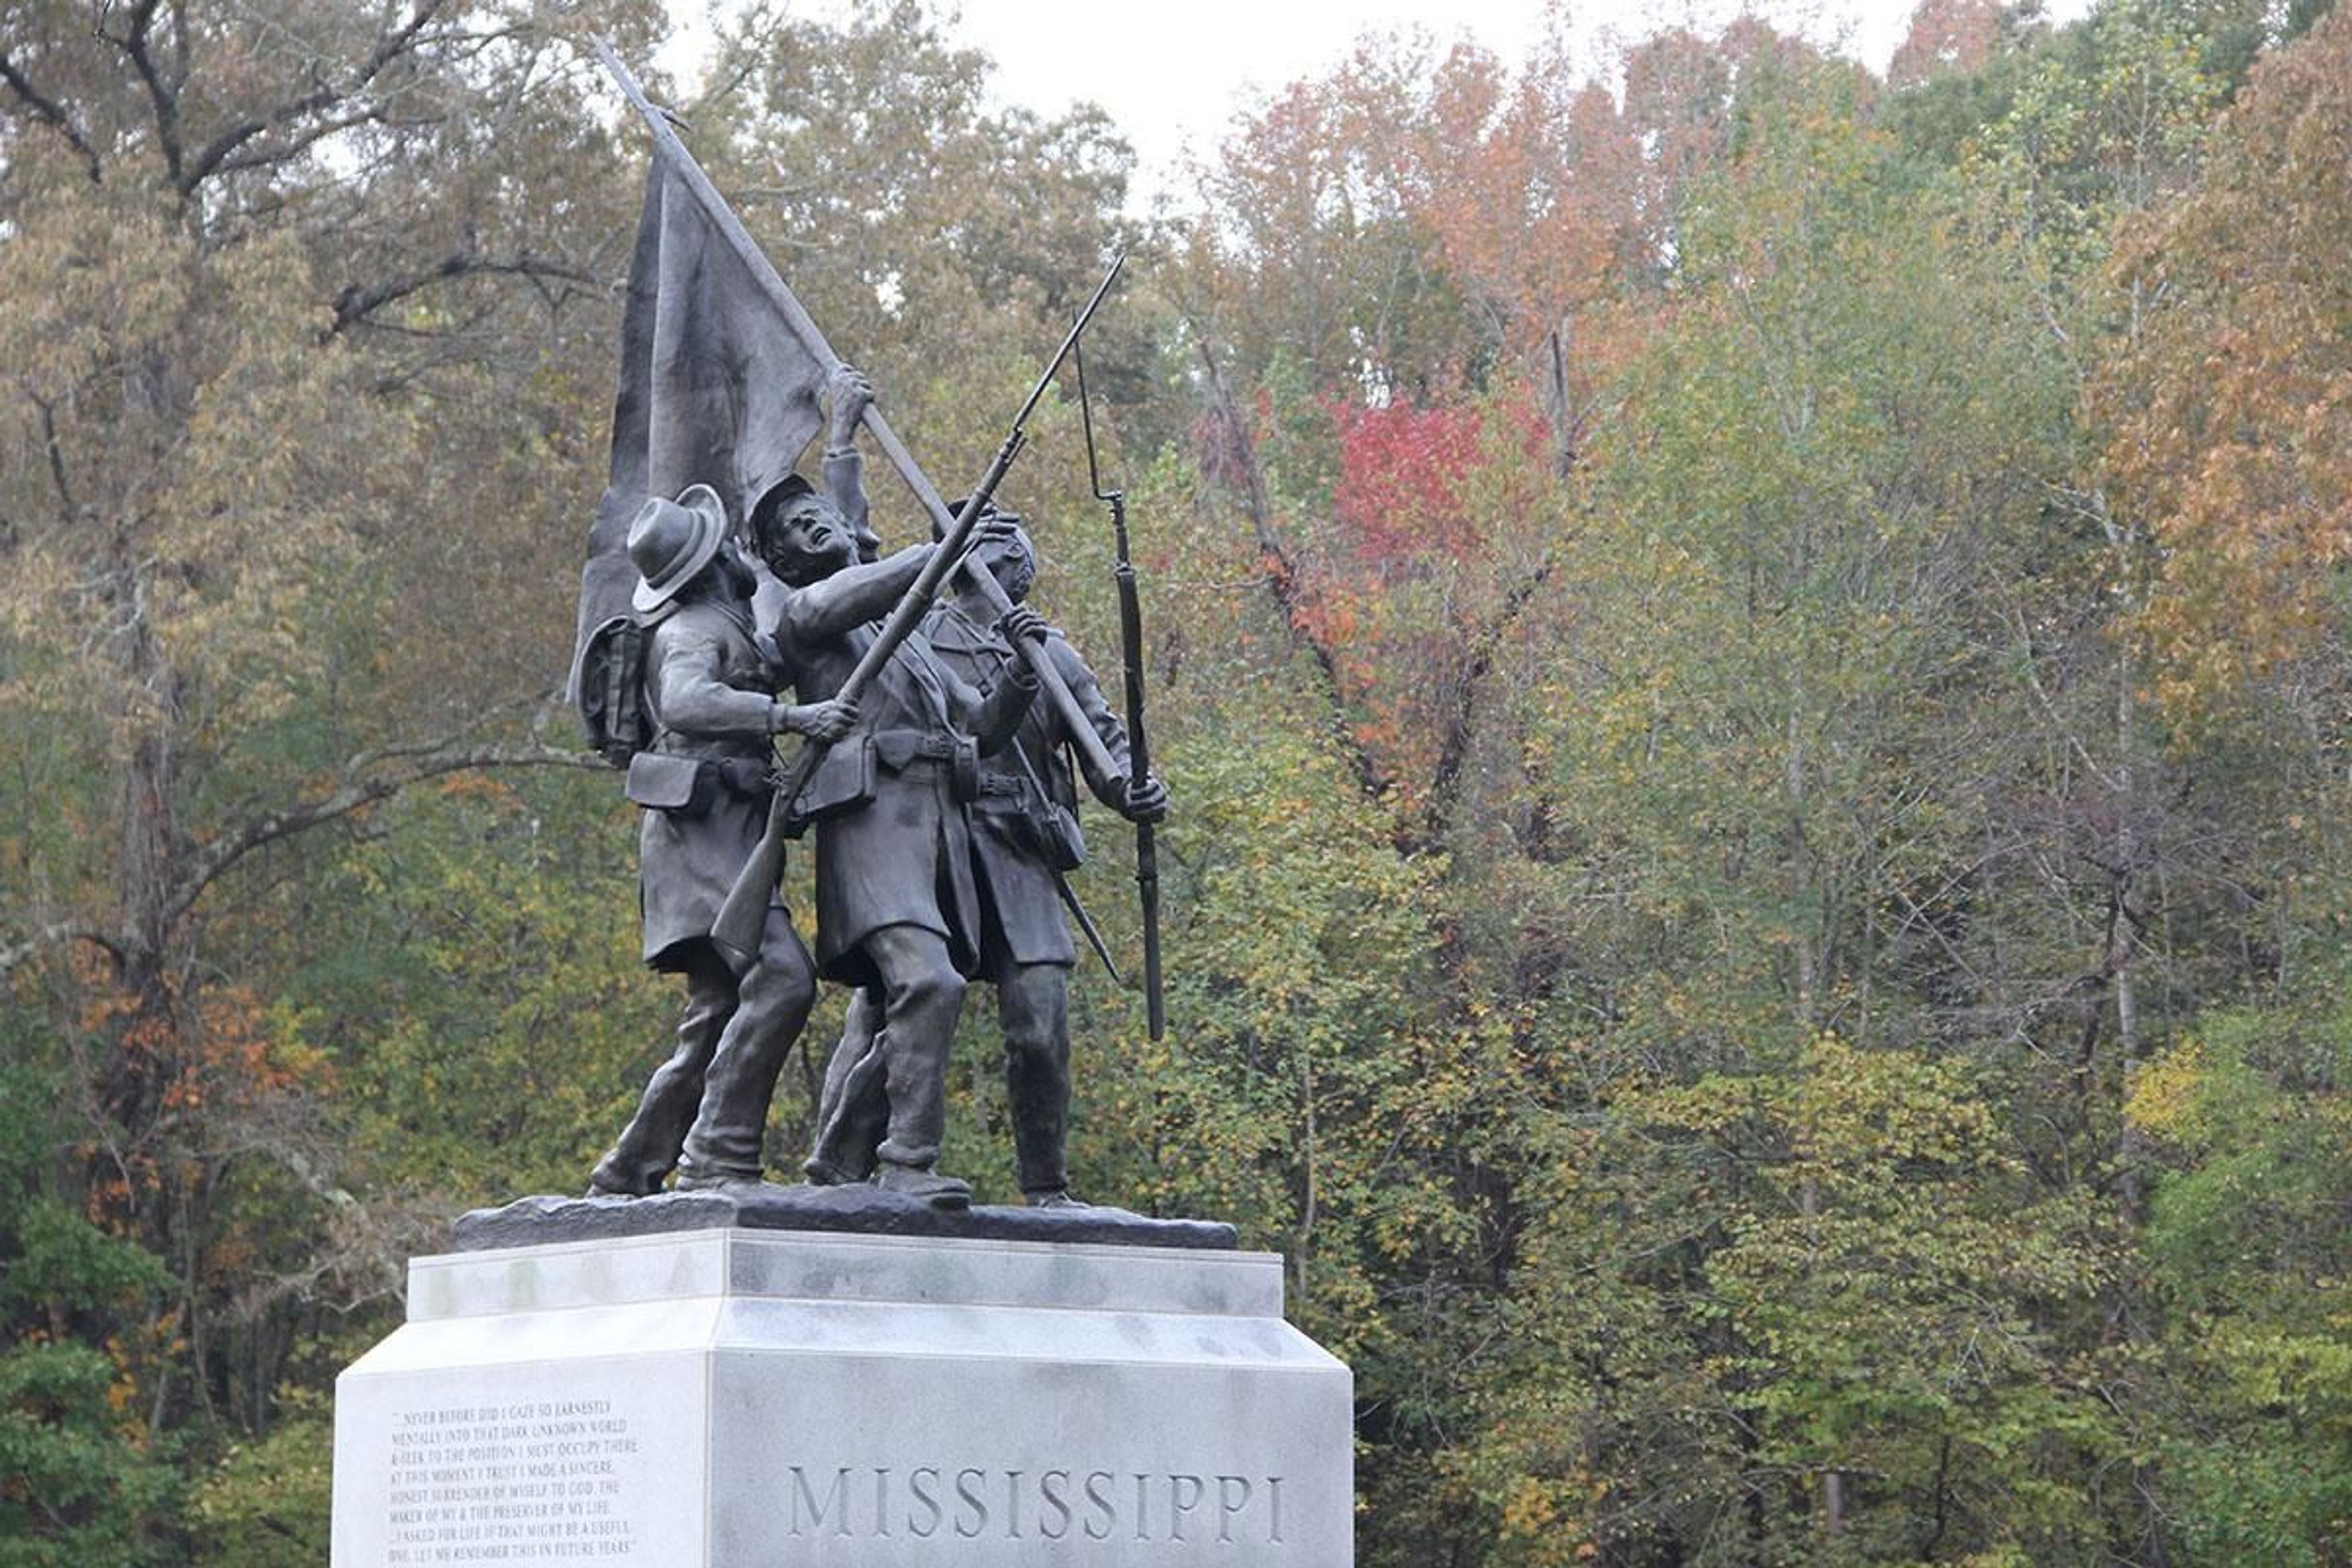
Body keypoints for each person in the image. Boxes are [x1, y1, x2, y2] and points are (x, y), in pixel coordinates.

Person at [811, 513, 1167, 1205]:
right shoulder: (914, 634)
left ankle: (1048, 1186)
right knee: (896, 1011)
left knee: (1040, 1020)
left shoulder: (1051, 651)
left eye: (1014, 551)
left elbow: (1103, 741)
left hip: (1022, 848)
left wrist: (1135, 788)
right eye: (992, 548)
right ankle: (842, 1167)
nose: (1007, 561)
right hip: (934, 838)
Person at [759, 470, 1044, 1208]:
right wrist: (948, 546)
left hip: (936, 825)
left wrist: (1019, 671)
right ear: (786, 561)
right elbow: (867, 587)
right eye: (792, 529)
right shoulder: (808, 611)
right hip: (870, 826)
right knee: (929, 981)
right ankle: (908, 1163)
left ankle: (835, 1162)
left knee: (903, 1004)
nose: (811, 525)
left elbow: (979, 723)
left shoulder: (905, 635)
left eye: (816, 511)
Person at [584, 481, 854, 1197]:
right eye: (727, 548)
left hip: (731, 834)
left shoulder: (731, 625)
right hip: (698, 838)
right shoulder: (690, 631)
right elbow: (685, 701)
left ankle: (630, 1166)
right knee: (783, 977)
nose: (741, 554)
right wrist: (789, 720)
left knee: (716, 1011)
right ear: (708, 567)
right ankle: (717, 1156)